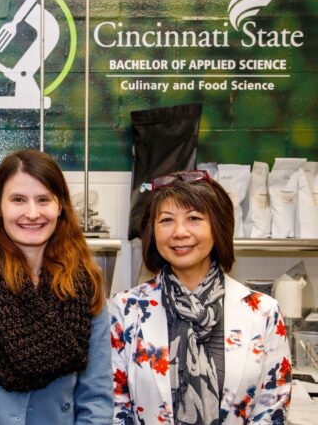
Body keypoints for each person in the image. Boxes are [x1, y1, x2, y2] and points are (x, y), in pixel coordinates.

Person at [0, 149, 112, 425]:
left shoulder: (85, 281)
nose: (32, 213)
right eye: (18, 199)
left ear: (60, 206)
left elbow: (96, 398)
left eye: (43, 200)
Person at [110, 170, 292, 425]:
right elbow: (115, 406)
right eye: (166, 220)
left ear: (218, 227)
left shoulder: (263, 312)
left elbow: (271, 409)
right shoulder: (126, 309)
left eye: (194, 218)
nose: (179, 232)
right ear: (152, 231)